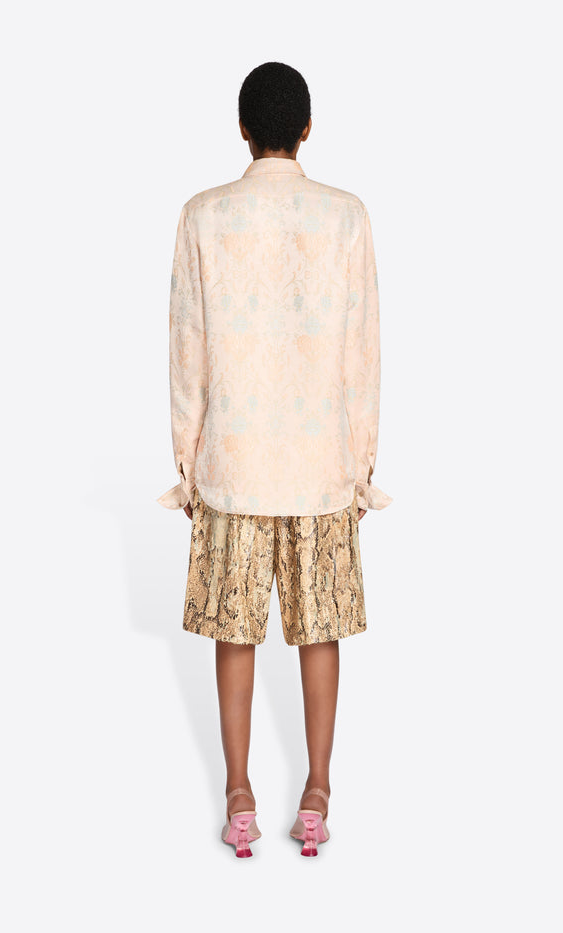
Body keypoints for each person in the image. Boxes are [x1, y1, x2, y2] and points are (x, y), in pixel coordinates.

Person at [157, 61, 392, 857]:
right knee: (319, 630)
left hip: (234, 458)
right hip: (320, 460)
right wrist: (361, 467)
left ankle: (239, 796)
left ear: (243, 129)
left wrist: (188, 462)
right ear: (308, 129)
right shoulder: (347, 216)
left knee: (235, 631)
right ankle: (317, 792)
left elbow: (186, 347)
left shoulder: (202, 215)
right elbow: (363, 350)